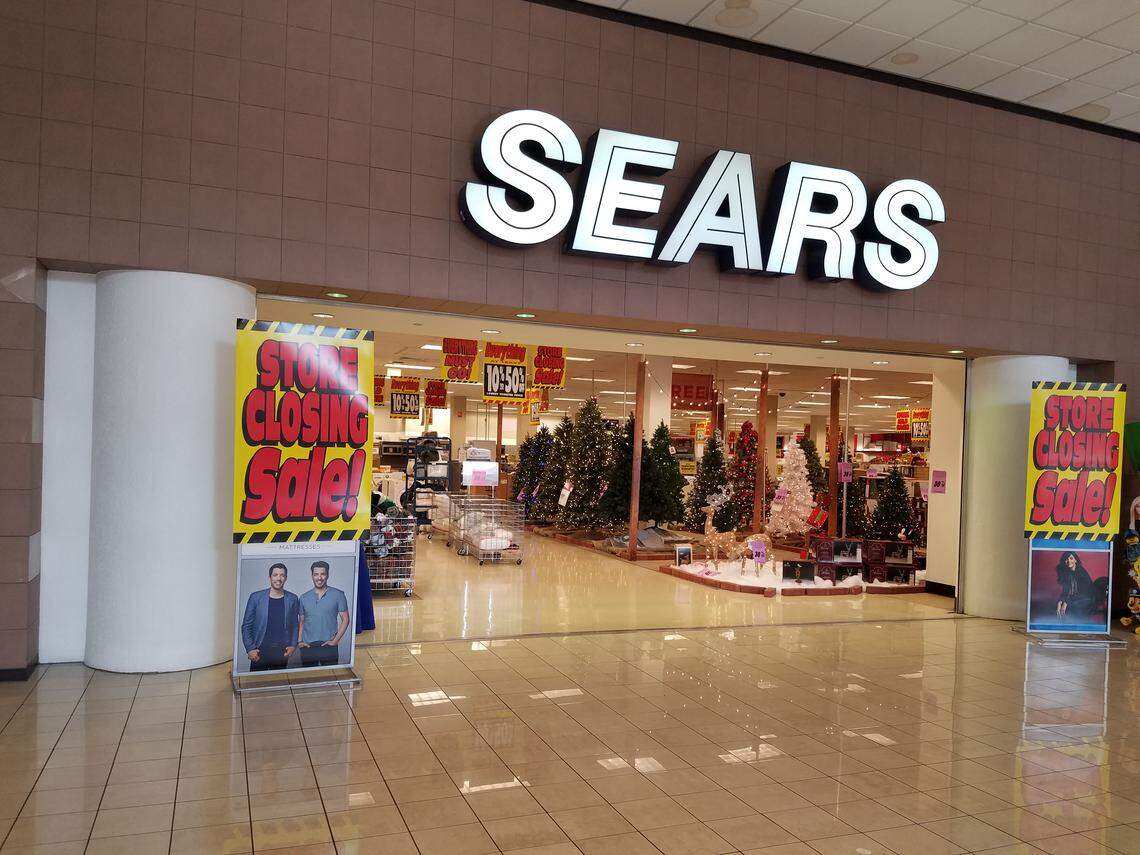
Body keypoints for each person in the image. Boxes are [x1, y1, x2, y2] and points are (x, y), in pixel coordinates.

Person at [241, 563, 300, 672]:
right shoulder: (255, 597)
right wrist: (250, 648)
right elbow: (246, 626)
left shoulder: (293, 598)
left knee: (279, 680)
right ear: (270, 577)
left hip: (282, 652)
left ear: (286, 578)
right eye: (275, 575)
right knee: (257, 681)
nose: (279, 578)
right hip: (259, 650)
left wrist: (292, 645)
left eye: (282, 575)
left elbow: (295, 625)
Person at [298, 560, 350, 667]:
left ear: (328, 575)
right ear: (312, 576)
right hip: (308, 646)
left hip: (329, 646)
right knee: (308, 675)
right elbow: (301, 621)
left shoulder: (338, 595)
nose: (319, 578)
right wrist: (299, 641)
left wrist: (335, 641)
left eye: (323, 574)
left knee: (330, 674)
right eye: (316, 574)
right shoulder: (303, 597)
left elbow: (346, 619)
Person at [1055, 551, 1097, 621]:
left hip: (1088, 598)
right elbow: (1065, 590)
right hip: (1075, 598)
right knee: (1055, 606)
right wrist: (1060, 601)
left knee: (1071, 607)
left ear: (1075, 560)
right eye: (1066, 559)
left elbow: (1084, 593)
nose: (1069, 561)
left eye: (1071, 558)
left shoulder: (1081, 573)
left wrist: (1066, 602)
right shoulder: (1067, 573)